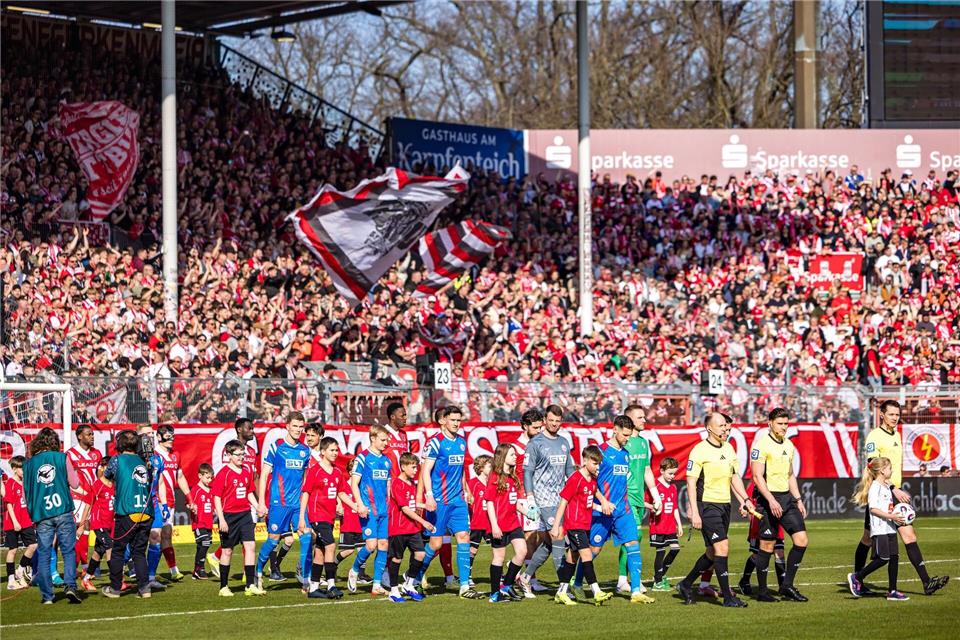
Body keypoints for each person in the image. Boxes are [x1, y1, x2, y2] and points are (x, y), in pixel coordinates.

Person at [854, 400, 949, 596]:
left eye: (897, 414)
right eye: (891, 414)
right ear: (882, 415)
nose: (895, 418)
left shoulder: (896, 434)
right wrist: (894, 488)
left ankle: (926, 582)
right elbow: (872, 467)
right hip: (881, 493)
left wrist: (895, 488)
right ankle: (858, 579)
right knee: (867, 539)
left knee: (909, 536)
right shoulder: (874, 436)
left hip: (893, 492)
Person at [676, 413, 754, 608]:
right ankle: (728, 596)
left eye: (726, 427)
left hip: (724, 505)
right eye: (721, 426)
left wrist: (745, 499)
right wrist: (694, 510)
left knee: (712, 552)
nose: (725, 430)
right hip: (707, 505)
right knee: (722, 547)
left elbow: (734, 478)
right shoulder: (699, 450)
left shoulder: (729, 449)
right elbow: (691, 483)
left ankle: (685, 584)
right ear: (709, 428)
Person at [577, 415, 651, 604]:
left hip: (623, 510)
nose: (628, 438)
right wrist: (602, 502)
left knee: (633, 545)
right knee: (593, 550)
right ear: (615, 430)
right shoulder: (600, 453)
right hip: (602, 512)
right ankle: (575, 583)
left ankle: (635, 592)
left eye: (629, 435)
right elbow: (590, 480)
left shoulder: (626, 454)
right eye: (625, 434)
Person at [416, 406, 482, 598]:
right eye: (453, 420)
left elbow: (460, 470)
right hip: (438, 501)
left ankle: (464, 586)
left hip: (457, 500)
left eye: (459, 420)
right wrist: (428, 495)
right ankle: (414, 575)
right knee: (436, 544)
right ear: (443, 420)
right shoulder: (435, 443)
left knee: (463, 537)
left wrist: (467, 490)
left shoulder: (462, 442)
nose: (456, 423)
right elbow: (425, 470)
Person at [748, 407, 809, 602]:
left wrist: (798, 499)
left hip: (786, 499)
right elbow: (757, 476)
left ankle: (787, 586)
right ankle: (763, 592)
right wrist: (771, 500)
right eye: (780, 423)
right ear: (770, 423)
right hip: (768, 500)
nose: (783, 427)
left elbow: (790, 475)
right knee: (767, 545)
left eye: (786, 423)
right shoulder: (761, 445)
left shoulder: (789, 445)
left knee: (801, 540)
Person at [518, 404, 574, 596]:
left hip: (560, 499)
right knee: (558, 536)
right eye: (550, 420)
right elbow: (527, 472)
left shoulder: (564, 442)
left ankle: (525, 577)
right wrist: (530, 497)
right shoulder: (535, 444)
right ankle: (563, 588)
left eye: (557, 421)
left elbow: (569, 471)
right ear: (544, 421)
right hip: (543, 499)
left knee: (550, 544)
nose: (554, 424)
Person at [23, 427, 81, 604]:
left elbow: (26, 494)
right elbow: (75, 484)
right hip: (62, 509)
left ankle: (47, 596)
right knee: (68, 551)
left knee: (44, 553)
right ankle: (70, 586)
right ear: (55, 442)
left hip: (42, 514)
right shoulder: (62, 457)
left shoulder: (28, 464)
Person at [551, 445, 612, 606]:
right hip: (574, 525)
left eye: (599, 464)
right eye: (594, 463)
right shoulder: (575, 479)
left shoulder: (592, 478)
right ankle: (597, 592)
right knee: (587, 555)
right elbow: (563, 502)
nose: (597, 467)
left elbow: (595, 492)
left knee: (572, 558)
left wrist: (604, 502)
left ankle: (561, 592)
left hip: (585, 524)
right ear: (585, 461)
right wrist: (556, 525)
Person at [256, 412, 310, 587]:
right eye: (295, 426)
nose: (298, 430)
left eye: (301, 427)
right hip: (279, 503)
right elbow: (264, 475)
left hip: (297, 504)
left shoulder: (305, 451)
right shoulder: (277, 446)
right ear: (287, 426)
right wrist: (262, 503)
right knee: (273, 539)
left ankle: (304, 575)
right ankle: (257, 571)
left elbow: (306, 480)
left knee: (306, 535)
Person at [847, 457, 909, 601]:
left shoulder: (887, 486)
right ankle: (857, 577)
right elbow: (873, 509)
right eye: (889, 468)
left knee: (894, 557)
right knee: (883, 558)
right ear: (881, 471)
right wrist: (891, 516)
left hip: (890, 528)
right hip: (880, 529)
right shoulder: (875, 486)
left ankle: (892, 591)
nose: (891, 470)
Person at [616, 404, 662, 595]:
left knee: (633, 538)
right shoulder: (622, 442)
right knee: (633, 537)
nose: (645, 420)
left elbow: (646, 469)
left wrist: (655, 493)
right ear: (629, 420)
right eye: (640, 417)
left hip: (638, 498)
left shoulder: (643, 442)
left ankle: (622, 580)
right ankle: (630, 581)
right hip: (624, 498)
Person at [299, 437, 353, 599]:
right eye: (331, 450)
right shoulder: (315, 470)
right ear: (322, 452)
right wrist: (302, 518)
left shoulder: (337, 472)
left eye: (336, 450)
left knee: (321, 552)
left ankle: (314, 587)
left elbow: (341, 493)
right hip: (317, 516)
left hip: (329, 518)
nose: (335, 453)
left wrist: (355, 506)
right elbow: (306, 493)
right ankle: (331, 585)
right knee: (331, 545)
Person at [102, 429, 152, 599]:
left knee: (117, 551)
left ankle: (115, 588)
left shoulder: (116, 460)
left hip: (127, 512)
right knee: (139, 552)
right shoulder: (143, 461)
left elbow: (106, 477)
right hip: (146, 511)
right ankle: (145, 589)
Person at [208, 418, 258, 577]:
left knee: (249, 537)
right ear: (239, 430)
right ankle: (217, 557)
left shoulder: (250, 451)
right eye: (249, 428)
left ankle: (247, 573)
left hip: (247, 498)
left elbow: (253, 475)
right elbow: (227, 475)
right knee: (236, 540)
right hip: (232, 501)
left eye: (253, 428)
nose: (252, 431)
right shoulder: (229, 449)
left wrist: (258, 501)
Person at [213, 440, 265, 597]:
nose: (242, 457)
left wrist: (257, 507)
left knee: (250, 546)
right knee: (227, 551)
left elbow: (249, 492)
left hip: (245, 515)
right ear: (228, 455)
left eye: (243, 454)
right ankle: (223, 587)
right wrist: (221, 519)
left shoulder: (247, 470)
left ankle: (250, 585)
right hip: (229, 516)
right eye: (238, 454)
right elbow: (216, 498)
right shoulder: (223, 473)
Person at [348, 424, 393, 595]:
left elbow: (388, 486)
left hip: (383, 510)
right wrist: (359, 504)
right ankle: (354, 570)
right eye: (382, 440)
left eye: (387, 439)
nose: (385, 443)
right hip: (369, 509)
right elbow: (354, 484)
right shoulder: (363, 458)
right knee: (371, 545)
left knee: (383, 545)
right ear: (373, 438)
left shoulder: (387, 461)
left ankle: (376, 584)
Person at [387, 452, 434, 603]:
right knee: (396, 559)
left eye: (416, 467)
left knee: (420, 554)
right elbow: (405, 508)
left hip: (412, 528)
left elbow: (412, 504)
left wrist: (425, 505)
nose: (416, 470)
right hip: (398, 528)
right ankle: (394, 591)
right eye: (413, 467)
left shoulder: (411, 484)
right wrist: (424, 521)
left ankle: (409, 584)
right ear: (403, 466)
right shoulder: (396, 484)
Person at [485, 443, 527, 603]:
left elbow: (514, 502)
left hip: (513, 523)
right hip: (499, 525)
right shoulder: (495, 477)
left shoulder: (513, 476)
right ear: (502, 457)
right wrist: (494, 525)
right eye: (511, 454)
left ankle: (507, 585)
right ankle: (495, 594)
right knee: (499, 557)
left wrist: (527, 513)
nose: (515, 457)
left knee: (522, 552)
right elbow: (489, 502)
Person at [512, 408, 544, 598]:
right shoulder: (516, 448)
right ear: (525, 426)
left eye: (541, 427)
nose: (539, 430)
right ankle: (527, 578)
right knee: (530, 537)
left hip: (538, 495)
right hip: (523, 497)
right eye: (535, 427)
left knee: (538, 537)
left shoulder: (540, 444)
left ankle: (522, 574)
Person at [154, 425, 190, 582]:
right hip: (155, 501)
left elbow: (180, 477)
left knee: (167, 534)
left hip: (170, 502)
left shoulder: (176, 455)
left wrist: (189, 496)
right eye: (168, 436)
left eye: (172, 436)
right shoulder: (153, 455)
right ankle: (139, 569)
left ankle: (173, 570)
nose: (171, 440)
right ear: (159, 437)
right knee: (153, 536)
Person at [66, 424, 102, 577]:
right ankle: (80, 565)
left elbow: (100, 475)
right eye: (89, 434)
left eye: (92, 434)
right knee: (81, 528)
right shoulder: (70, 454)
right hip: (79, 498)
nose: (92, 437)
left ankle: (90, 564)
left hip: (95, 496)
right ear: (80, 436)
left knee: (100, 529)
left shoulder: (97, 454)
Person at [136, 423, 167, 592]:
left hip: (153, 504)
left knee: (156, 537)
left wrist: (165, 503)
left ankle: (151, 576)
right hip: (137, 505)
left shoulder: (158, 458)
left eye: (152, 433)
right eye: (146, 434)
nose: (150, 437)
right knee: (132, 543)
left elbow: (160, 482)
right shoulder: (132, 458)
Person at [79, 457, 114, 592]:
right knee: (110, 548)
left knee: (98, 551)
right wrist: (82, 524)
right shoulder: (97, 485)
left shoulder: (114, 484)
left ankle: (86, 579)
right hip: (99, 523)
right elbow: (88, 504)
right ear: (103, 468)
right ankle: (117, 581)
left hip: (109, 523)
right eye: (107, 466)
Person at [3, 456, 37, 590]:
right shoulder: (10, 483)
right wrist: (15, 521)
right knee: (13, 550)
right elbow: (9, 504)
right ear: (14, 469)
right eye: (21, 468)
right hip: (13, 522)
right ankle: (11, 581)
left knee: (33, 545)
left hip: (26, 521)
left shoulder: (26, 483)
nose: (24, 470)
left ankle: (20, 570)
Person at [649, 457, 683, 591]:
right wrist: (653, 507)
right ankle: (658, 582)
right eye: (670, 473)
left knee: (675, 548)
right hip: (658, 526)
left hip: (670, 527)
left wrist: (679, 524)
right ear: (662, 470)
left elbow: (674, 507)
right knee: (660, 551)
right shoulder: (654, 486)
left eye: (674, 473)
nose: (673, 476)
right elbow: (645, 502)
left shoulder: (673, 487)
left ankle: (659, 576)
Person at [334, 458, 363, 573]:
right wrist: (339, 505)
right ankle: (333, 564)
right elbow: (338, 496)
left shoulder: (361, 487)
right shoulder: (344, 486)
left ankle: (361, 574)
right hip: (348, 524)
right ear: (351, 472)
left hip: (361, 523)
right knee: (348, 551)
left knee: (363, 549)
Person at [188, 463, 214, 580]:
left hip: (208, 523)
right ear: (200, 476)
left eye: (211, 477)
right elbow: (189, 503)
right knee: (205, 542)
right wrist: (191, 506)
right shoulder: (195, 489)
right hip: (199, 523)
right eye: (207, 477)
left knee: (202, 545)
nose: (210, 480)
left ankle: (197, 570)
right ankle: (200, 568)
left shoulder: (212, 490)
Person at [468, 455, 493, 573]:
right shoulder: (473, 483)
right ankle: (467, 575)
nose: (492, 468)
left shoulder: (492, 483)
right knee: (472, 549)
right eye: (489, 466)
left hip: (490, 523)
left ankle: (500, 574)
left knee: (497, 548)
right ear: (481, 468)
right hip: (476, 522)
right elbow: (468, 502)